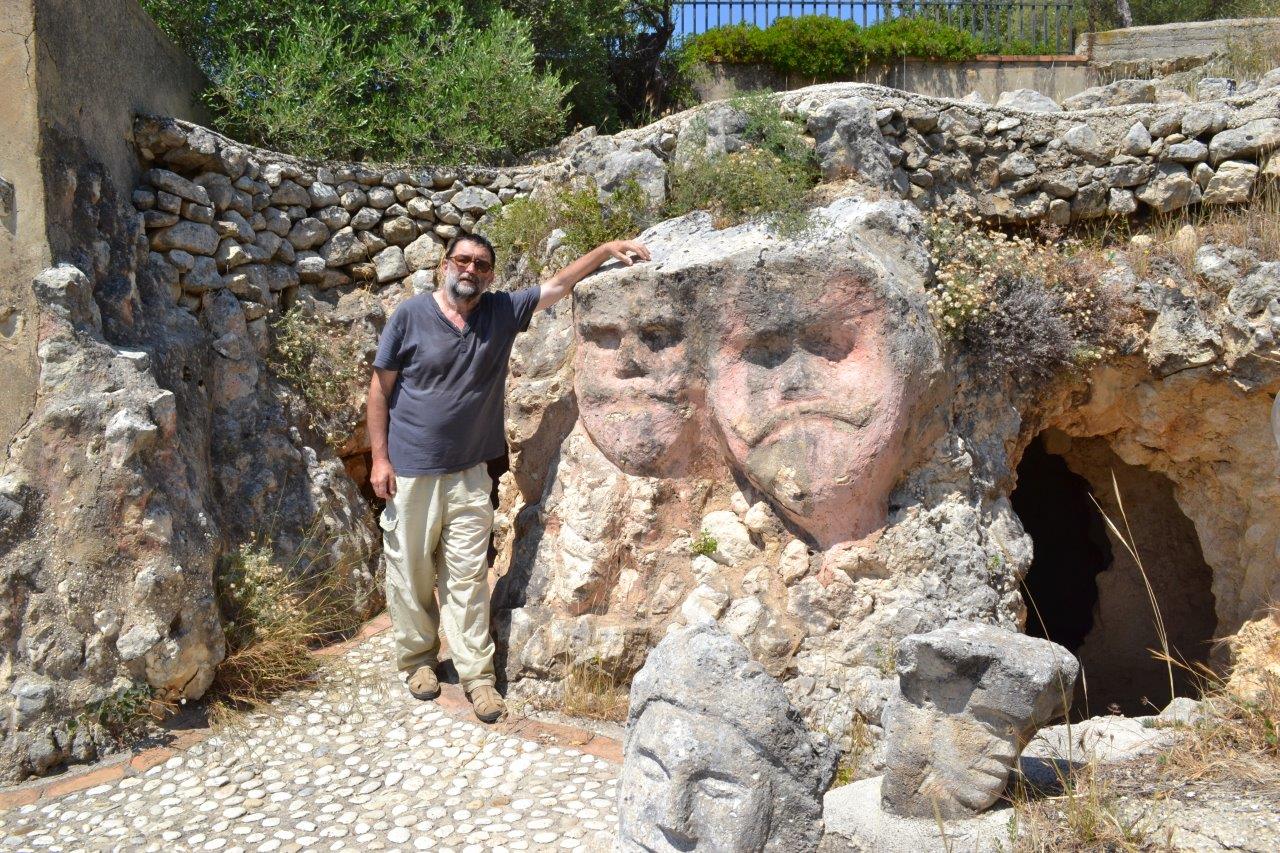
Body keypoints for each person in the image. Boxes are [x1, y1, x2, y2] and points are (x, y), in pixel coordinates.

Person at [366, 231, 649, 723]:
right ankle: (418, 661)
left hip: (471, 474)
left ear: (490, 275)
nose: (470, 270)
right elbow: (380, 389)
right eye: (462, 260)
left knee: (468, 578)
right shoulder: (410, 316)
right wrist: (379, 459)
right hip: (410, 472)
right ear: (444, 265)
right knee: (410, 574)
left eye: (481, 264)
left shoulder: (500, 312)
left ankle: (477, 676)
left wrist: (605, 250)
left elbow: (557, 286)